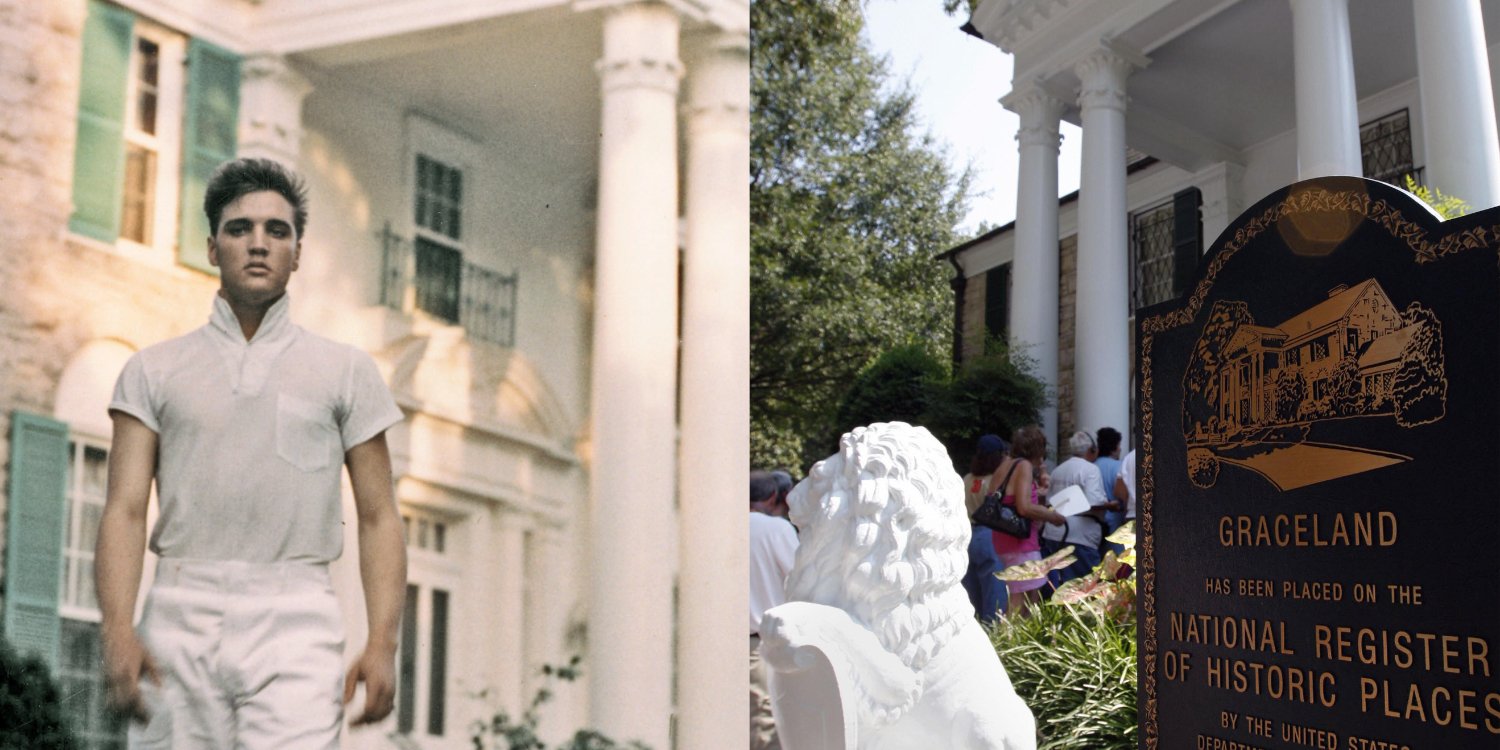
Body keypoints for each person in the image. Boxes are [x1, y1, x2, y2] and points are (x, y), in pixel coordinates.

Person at [97, 158, 407, 748]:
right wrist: (117, 630)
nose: (258, 244)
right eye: (239, 229)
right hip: (180, 608)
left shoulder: (345, 371)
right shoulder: (153, 370)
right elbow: (124, 510)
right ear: (212, 248)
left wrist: (383, 645)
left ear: (298, 250)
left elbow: (378, 514)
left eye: (277, 230)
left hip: (297, 617)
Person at [992, 426, 1067, 619]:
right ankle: (1006, 645)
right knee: (1021, 601)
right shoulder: (1023, 466)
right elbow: (1024, 507)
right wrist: (1052, 516)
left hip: (1004, 539)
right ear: (1037, 448)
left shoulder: (1005, 465)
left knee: (1030, 596)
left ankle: (1018, 644)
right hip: (1021, 542)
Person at [750, 470, 799, 750]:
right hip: (762, 645)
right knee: (764, 726)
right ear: (772, 497)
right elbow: (800, 579)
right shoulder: (776, 529)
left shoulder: (712, 521)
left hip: (713, 643)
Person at [1040, 430, 1114, 587]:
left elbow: (1050, 502)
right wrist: (1111, 505)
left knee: (1059, 586)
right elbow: (1094, 502)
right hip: (1080, 537)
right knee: (1084, 588)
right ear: (1092, 450)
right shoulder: (1090, 469)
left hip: (1054, 534)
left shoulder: (1058, 469)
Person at [960, 435, 1010, 624]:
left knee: (972, 589)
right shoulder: (995, 481)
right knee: (994, 589)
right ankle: (993, 630)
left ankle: (974, 627)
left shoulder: (967, 479)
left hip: (968, 535)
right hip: (990, 535)